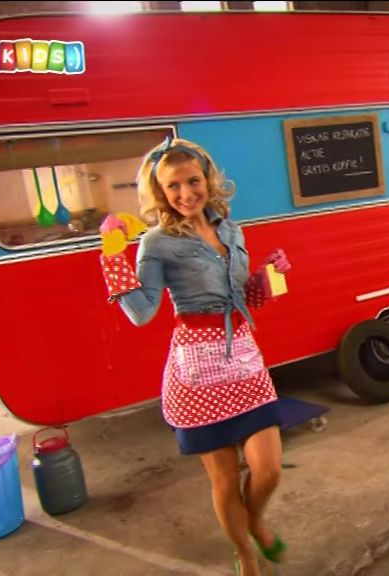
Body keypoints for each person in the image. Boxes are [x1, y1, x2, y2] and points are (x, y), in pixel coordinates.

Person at [98, 137, 291, 576]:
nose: (186, 194)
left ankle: (256, 521)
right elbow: (142, 313)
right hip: (198, 370)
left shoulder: (232, 230)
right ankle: (245, 553)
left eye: (193, 181)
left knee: (269, 470)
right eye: (173, 186)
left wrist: (268, 279)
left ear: (208, 180)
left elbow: (244, 298)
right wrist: (113, 259)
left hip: (245, 359)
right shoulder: (156, 242)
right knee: (225, 480)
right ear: (160, 192)